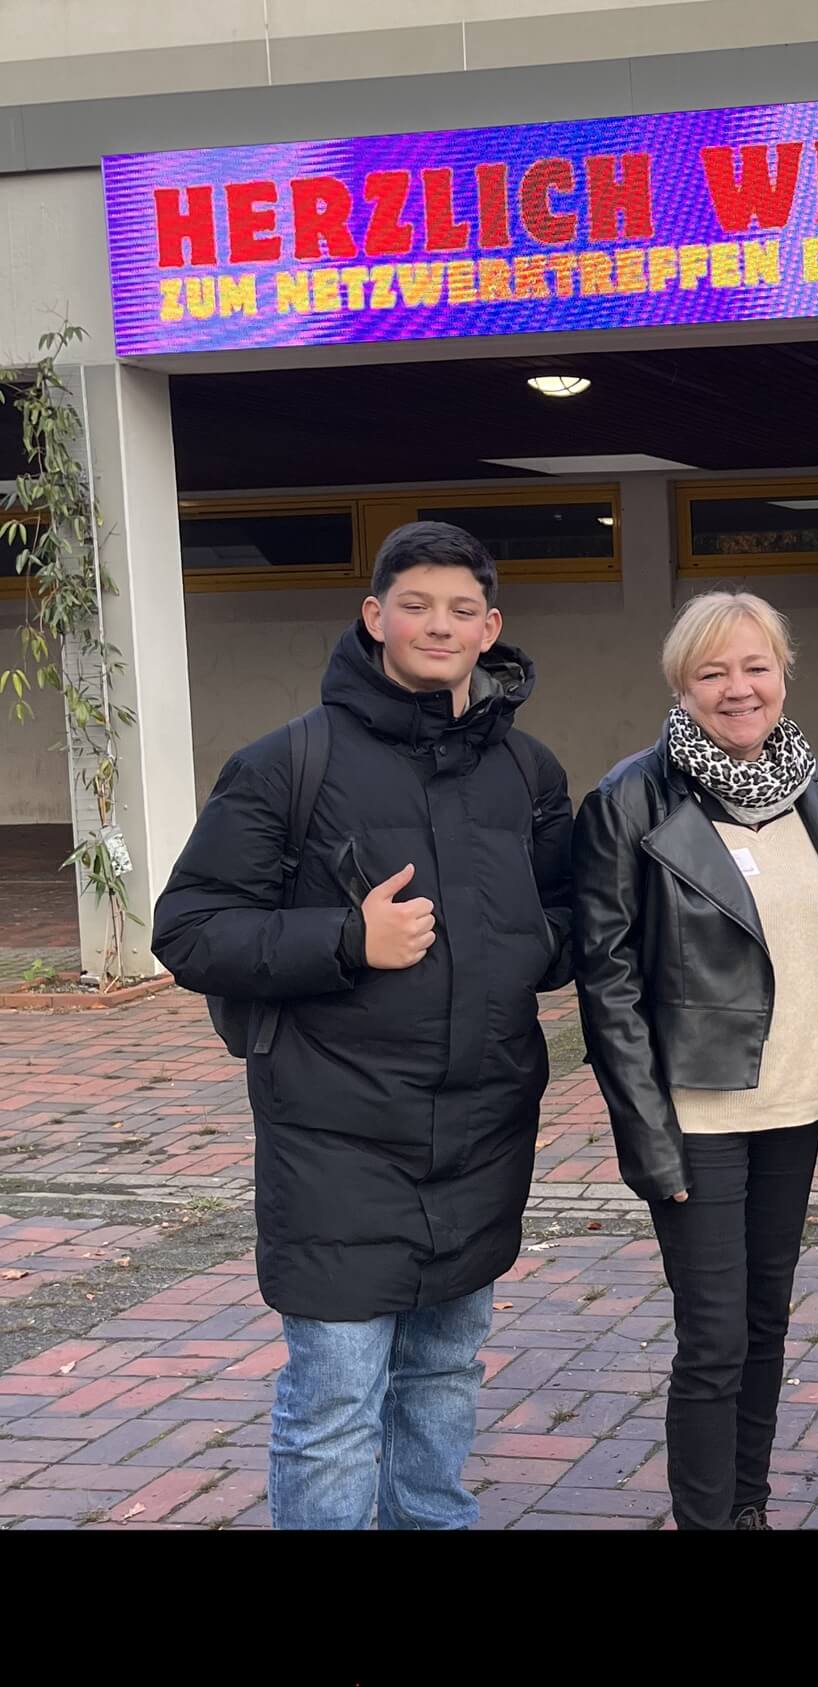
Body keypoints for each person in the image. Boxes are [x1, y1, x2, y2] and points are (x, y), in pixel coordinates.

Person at [153, 521, 575, 1530]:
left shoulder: (527, 771)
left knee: (444, 1373)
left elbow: (566, 919)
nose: (440, 625)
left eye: (462, 609)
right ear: (375, 616)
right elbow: (190, 929)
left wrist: (524, 941)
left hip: (481, 1128)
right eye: (416, 605)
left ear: (490, 628)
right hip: (334, 1134)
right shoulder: (287, 763)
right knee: (335, 1400)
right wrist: (348, 938)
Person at [570, 590, 818, 1532]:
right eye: (712, 671)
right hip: (697, 1117)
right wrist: (649, 1138)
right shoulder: (630, 798)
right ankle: (707, 1518)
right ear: (682, 684)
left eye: (756, 666)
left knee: (765, 1326)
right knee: (713, 1338)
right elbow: (609, 986)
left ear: (784, 673)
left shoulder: (812, 790)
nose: (738, 687)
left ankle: (746, 1507)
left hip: (793, 1107)